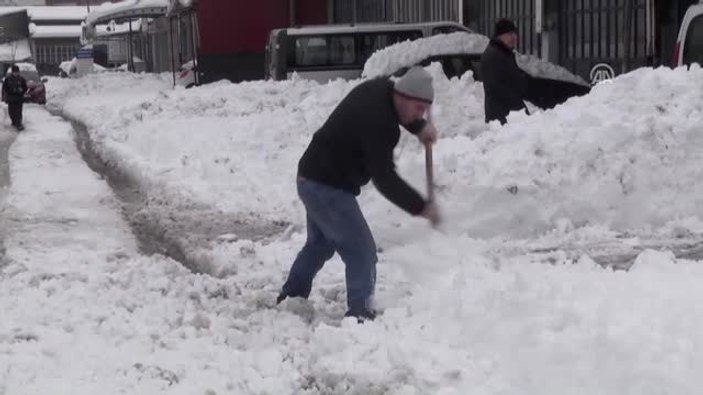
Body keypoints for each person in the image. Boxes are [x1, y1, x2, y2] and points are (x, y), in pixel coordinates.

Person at [277, 66, 441, 322]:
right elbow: (384, 178)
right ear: (405, 96)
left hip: (311, 176)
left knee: (320, 245)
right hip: (327, 186)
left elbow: (400, 113)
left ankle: (291, 298)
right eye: (419, 109)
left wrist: (419, 127)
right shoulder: (381, 125)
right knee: (362, 251)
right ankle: (360, 315)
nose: (420, 114)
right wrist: (420, 207)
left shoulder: (379, 89)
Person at [481, 18, 528, 125]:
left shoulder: (504, 53)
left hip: (507, 114)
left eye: (514, 33)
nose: (514, 37)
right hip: (502, 117)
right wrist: (518, 108)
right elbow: (495, 88)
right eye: (509, 34)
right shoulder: (493, 56)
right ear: (499, 36)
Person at [2, 65, 28, 131]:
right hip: (11, 98)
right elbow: (5, 88)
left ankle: (19, 123)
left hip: (19, 98)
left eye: (17, 72)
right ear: (12, 72)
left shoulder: (21, 79)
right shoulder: (8, 79)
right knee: (11, 111)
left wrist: (21, 90)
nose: (16, 73)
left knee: (18, 111)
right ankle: (14, 121)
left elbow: (25, 87)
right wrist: (11, 91)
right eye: (15, 72)